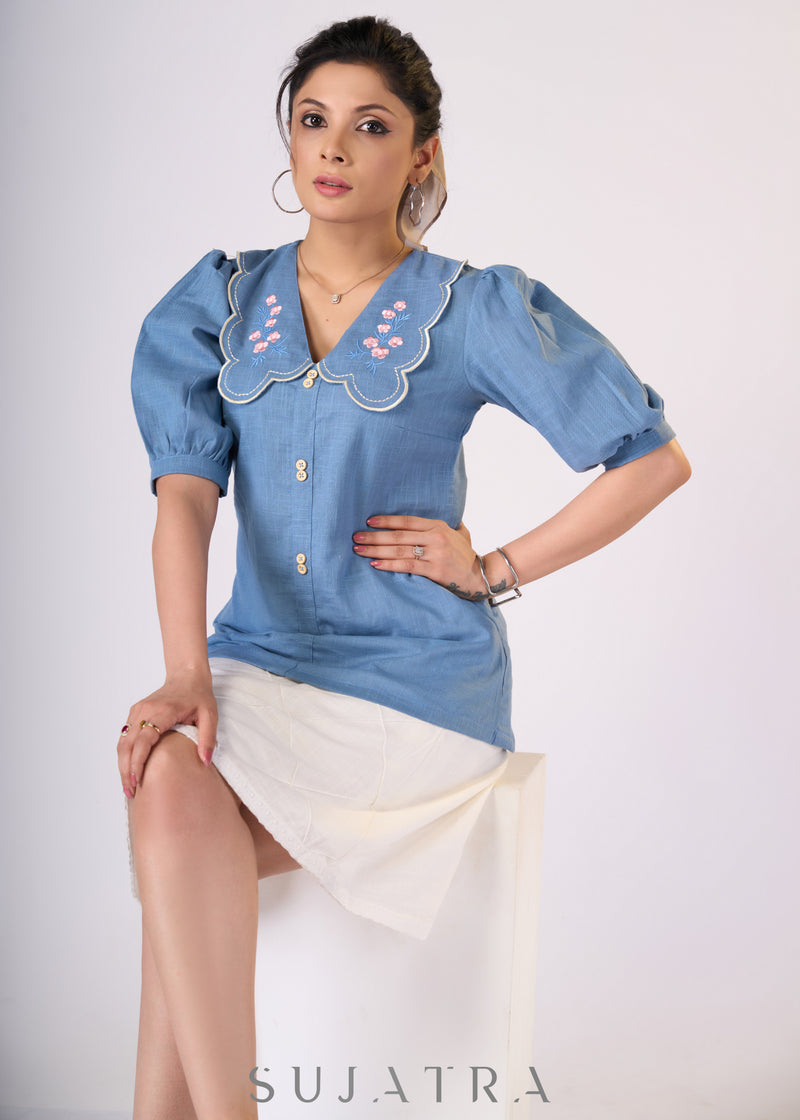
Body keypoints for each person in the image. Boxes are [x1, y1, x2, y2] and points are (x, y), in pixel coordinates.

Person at [119, 14, 691, 1118]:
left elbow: (651, 460)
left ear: (420, 154)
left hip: (414, 688)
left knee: (170, 841)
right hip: (255, 666)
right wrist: (186, 671)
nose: (333, 147)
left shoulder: (470, 308)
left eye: (370, 126)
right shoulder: (221, 303)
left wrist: (496, 565)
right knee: (166, 784)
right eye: (313, 120)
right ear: (290, 139)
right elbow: (184, 496)